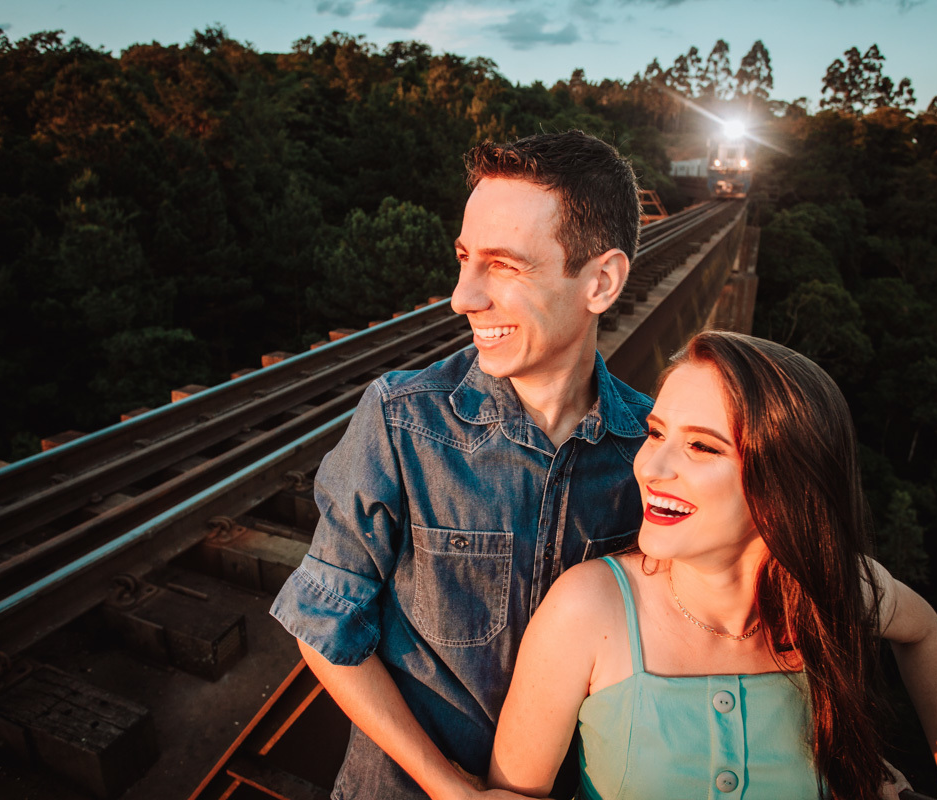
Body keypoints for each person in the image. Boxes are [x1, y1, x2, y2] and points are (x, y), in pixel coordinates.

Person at [269, 130, 653, 800]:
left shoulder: (651, 451)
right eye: (465, 259)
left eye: (503, 266)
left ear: (601, 281)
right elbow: (324, 628)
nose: (461, 296)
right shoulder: (402, 422)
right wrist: (451, 789)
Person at [488, 331, 937, 800]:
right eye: (656, 433)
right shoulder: (590, 610)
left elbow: (923, 633)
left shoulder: (829, 591)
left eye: (702, 446)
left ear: (783, 482)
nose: (650, 467)